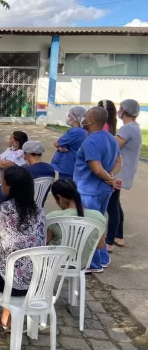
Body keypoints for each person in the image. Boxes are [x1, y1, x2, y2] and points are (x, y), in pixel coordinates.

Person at [0, 166, 46, 335]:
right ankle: (7, 320)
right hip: (38, 283)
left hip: (10, 282)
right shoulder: (40, 211)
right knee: (13, 260)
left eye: (2, 181)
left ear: (9, 187)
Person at [74, 106, 121, 272]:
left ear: (91, 120)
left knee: (89, 227)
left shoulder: (91, 141)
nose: (83, 118)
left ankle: (93, 264)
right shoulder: (110, 138)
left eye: (86, 116)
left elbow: (96, 168)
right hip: (102, 191)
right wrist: (111, 177)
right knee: (99, 224)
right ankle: (102, 258)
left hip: (89, 191)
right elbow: (118, 162)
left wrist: (109, 178)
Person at [106, 99, 142, 251]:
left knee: (111, 207)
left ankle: (109, 242)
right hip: (122, 171)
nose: (119, 111)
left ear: (125, 111)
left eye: (120, 108)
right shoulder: (133, 128)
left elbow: (112, 145)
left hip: (118, 173)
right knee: (116, 205)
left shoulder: (127, 129)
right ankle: (119, 236)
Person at [47, 179, 106, 267]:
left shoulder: (52, 217)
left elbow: (44, 242)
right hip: (81, 265)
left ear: (59, 198)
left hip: (54, 264)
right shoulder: (98, 217)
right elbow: (100, 245)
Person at [51, 107, 88, 180]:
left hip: (69, 166)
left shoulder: (75, 132)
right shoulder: (79, 130)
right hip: (74, 165)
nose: (67, 118)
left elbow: (57, 143)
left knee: (67, 188)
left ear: (74, 118)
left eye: (69, 115)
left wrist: (59, 145)